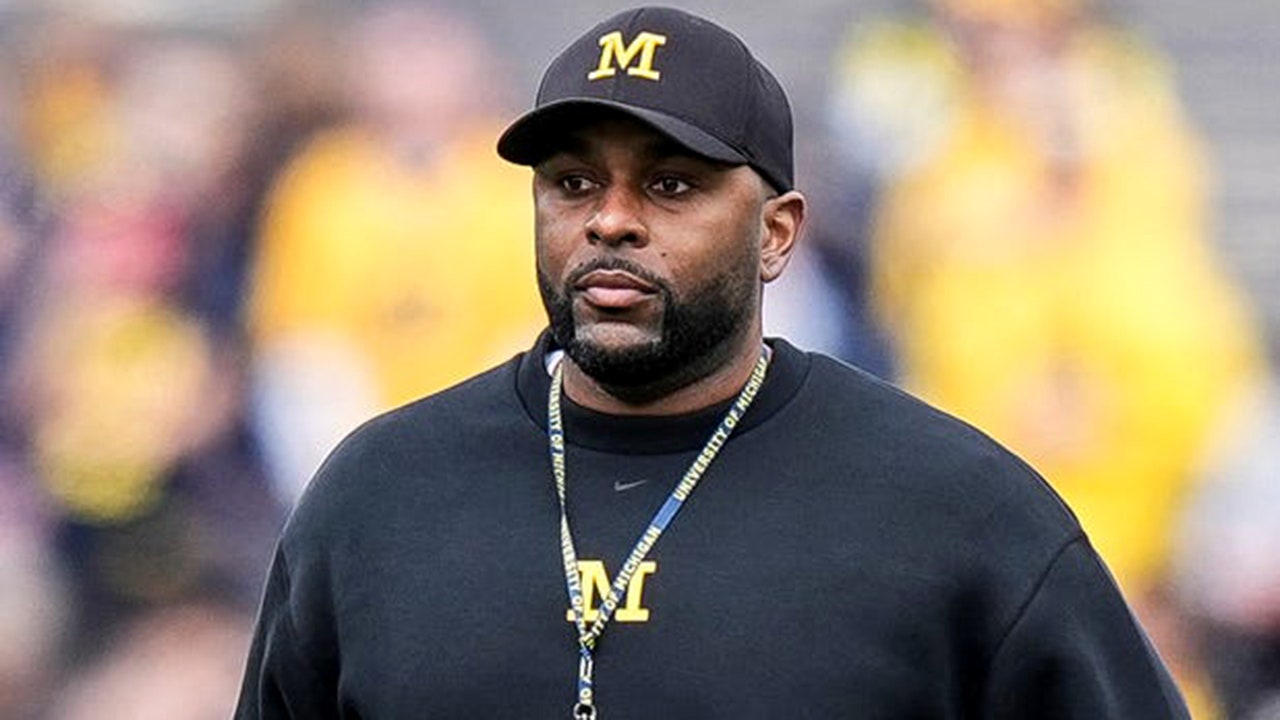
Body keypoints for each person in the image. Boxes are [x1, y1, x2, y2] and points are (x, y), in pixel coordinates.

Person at [235, 7, 1190, 718]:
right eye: (574, 182)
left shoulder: (959, 509)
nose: (611, 220)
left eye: (670, 184)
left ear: (777, 234)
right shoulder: (378, 495)